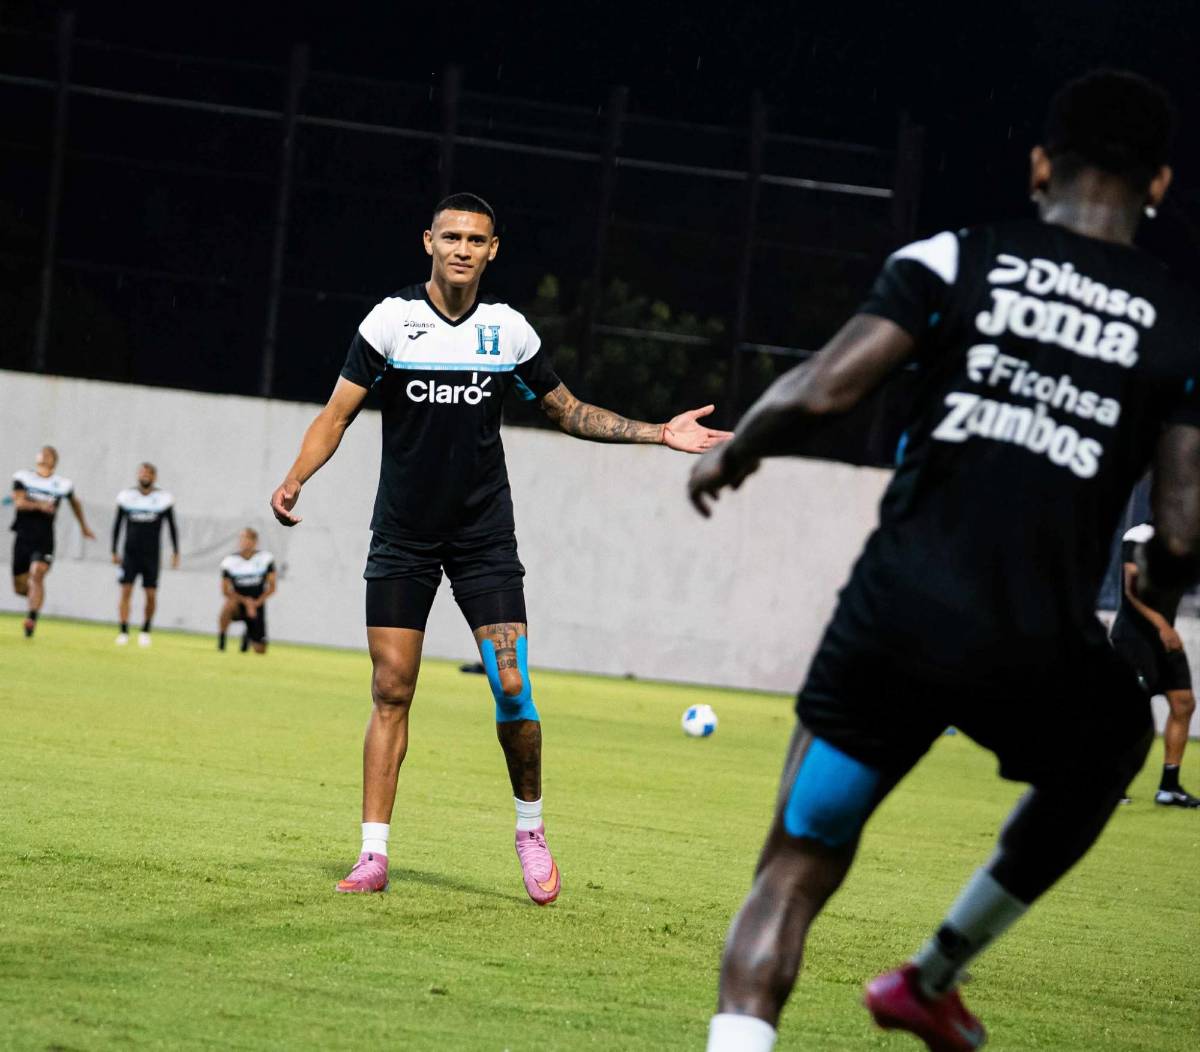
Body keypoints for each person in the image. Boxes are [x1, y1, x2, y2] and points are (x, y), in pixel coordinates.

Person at [688, 71, 1198, 1052]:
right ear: (1161, 184)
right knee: (1114, 745)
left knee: (791, 870)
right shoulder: (1182, 327)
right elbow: (1180, 528)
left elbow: (825, 389)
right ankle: (933, 975)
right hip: (1038, 646)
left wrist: (737, 448)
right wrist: (1160, 599)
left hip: (893, 620)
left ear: (1042, 164)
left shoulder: (956, 257)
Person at [269, 192, 731, 902]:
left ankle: (530, 829)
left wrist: (656, 431)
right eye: (450, 236)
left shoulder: (506, 332)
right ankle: (373, 854)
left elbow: (567, 409)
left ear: (492, 250)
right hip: (403, 536)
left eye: (474, 239)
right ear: (428, 241)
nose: (460, 248)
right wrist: (297, 476)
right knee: (392, 688)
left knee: (511, 685)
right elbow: (337, 414)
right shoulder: (392, 322)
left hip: (484, 538)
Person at [1109, 521, 1200, 807]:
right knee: (1126, 713)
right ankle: (1110, 784)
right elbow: (1131, 587)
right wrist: (1162, 625)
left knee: (1184, 703)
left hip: (1165, 639)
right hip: (1134, 637)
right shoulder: (1139, 535)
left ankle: (1169, 787)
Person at [10, 446, 95, 637]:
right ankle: (34, 599)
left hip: (44, 539)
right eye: (42, 452)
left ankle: (31, 618)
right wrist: (40, 505)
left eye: (49, 454)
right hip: (23, 537)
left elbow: (75, 503)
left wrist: (83, 526)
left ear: (54, 461)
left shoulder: (62, 484)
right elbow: (19, 503)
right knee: (21, 587)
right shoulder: (23, 477)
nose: (45, 455)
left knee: (37, 574)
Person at [112, 462, 180, 647]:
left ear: (154, 477)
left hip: (151, 555)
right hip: (130, 553)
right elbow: (117, 524)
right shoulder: (127, 497)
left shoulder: (162, 499)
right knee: (126, 591)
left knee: (150, 594)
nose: (145, 476)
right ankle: (124, 631)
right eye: (142, 472)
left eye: (149, 473)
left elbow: (172, 526)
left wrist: (175, 551)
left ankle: (145, 630)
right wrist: (114, 550)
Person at [218, 528, 276, 655]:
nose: (244, 542)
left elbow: (272, 587)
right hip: (239, 603)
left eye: (247, 539)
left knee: (260, 650)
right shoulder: (230, 561)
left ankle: (248, 635)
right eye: (242, 539)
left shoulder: (265, 559)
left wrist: (255, 603)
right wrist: (246, 602)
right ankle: (221, 643)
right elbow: (225, 590)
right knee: (227, 607)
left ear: (255, 542)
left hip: (257, 604)